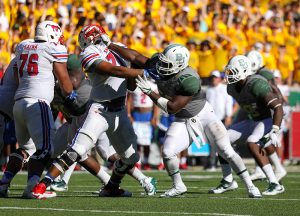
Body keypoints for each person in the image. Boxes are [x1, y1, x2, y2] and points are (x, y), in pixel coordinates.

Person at [105, 38, 261, 198]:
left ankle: (250, 186)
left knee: (226, 150)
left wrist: (149, 92)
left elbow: (172, 107)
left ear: (179, 65)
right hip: (182, 119)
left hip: (203, 116)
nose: (161, 67)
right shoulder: (162, 63)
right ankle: (178, 185)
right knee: (168, 152)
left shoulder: (189, 79)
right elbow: (135, 57)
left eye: (167, 65)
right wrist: (109, 44)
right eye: (162, 63)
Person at [31, 24, 158, 198]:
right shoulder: (87, 53)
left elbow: (136, 57)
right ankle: (42, 186)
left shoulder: (117, 47)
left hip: (120, 111)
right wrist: (144, 73)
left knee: (131, 158)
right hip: (100, 110)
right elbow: (115, 70)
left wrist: (156, 65)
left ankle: (111, 187)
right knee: (76, 150)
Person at [49, 54, 157, 196]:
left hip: (95, 118)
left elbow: (75, 95)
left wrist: (62, 93)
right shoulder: (64, 85)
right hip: (79, 121)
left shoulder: (81, 86)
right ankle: (134, 180)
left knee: (88, 151)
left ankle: (142, 179)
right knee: (83, 152)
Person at [0, 21, 79, 198]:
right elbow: (66, 86)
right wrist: (71, 97)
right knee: (45, 149)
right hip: (38, 103)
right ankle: (32, 188)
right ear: (51, 35)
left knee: (25, 148)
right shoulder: (52, 49)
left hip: (19, 103)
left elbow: (19, 78)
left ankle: (4, 183)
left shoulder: (23, 46)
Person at [211, 55, 285, 196]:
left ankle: (275, 183)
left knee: (252, 142)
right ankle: (228, 181)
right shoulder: (232, 88)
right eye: (229, 71)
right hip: (253, 120)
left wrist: (275, 129)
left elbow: (278, 107)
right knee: (221, 140)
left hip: (268, 119)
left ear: (243, 71)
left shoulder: (256, 84)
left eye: (232, 71)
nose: (229, 75)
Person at [245, 50, 287, 182]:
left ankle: (274, 168)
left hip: (273, 111)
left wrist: (276, 107)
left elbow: (274, 90)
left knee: (260, 140)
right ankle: (265, 169)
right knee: (263, 140)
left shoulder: (264, 73)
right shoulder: (259, 73)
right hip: (267, 111)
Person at [127, 79, 159, 170]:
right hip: (136, 114)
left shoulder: (153, 85)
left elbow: (156, 103)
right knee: (136, 141)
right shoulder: (134, 85)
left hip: (148, 115)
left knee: (146, 141)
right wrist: (129, 115)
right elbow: (129, 100)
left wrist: (154, 117)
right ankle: (138, 161)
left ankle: (146, 161)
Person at [205, 70, 234, 171]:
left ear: (219, 78)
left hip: (222, 118)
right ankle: (212, 163)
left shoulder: (224, 88)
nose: (213, 79)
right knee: (213, 142)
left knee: (224, 142)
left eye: (215, 77)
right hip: (211, 119)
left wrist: (228, 116)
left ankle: (227, 162)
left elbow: (228, 102)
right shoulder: (208, 89)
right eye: (212, 78)